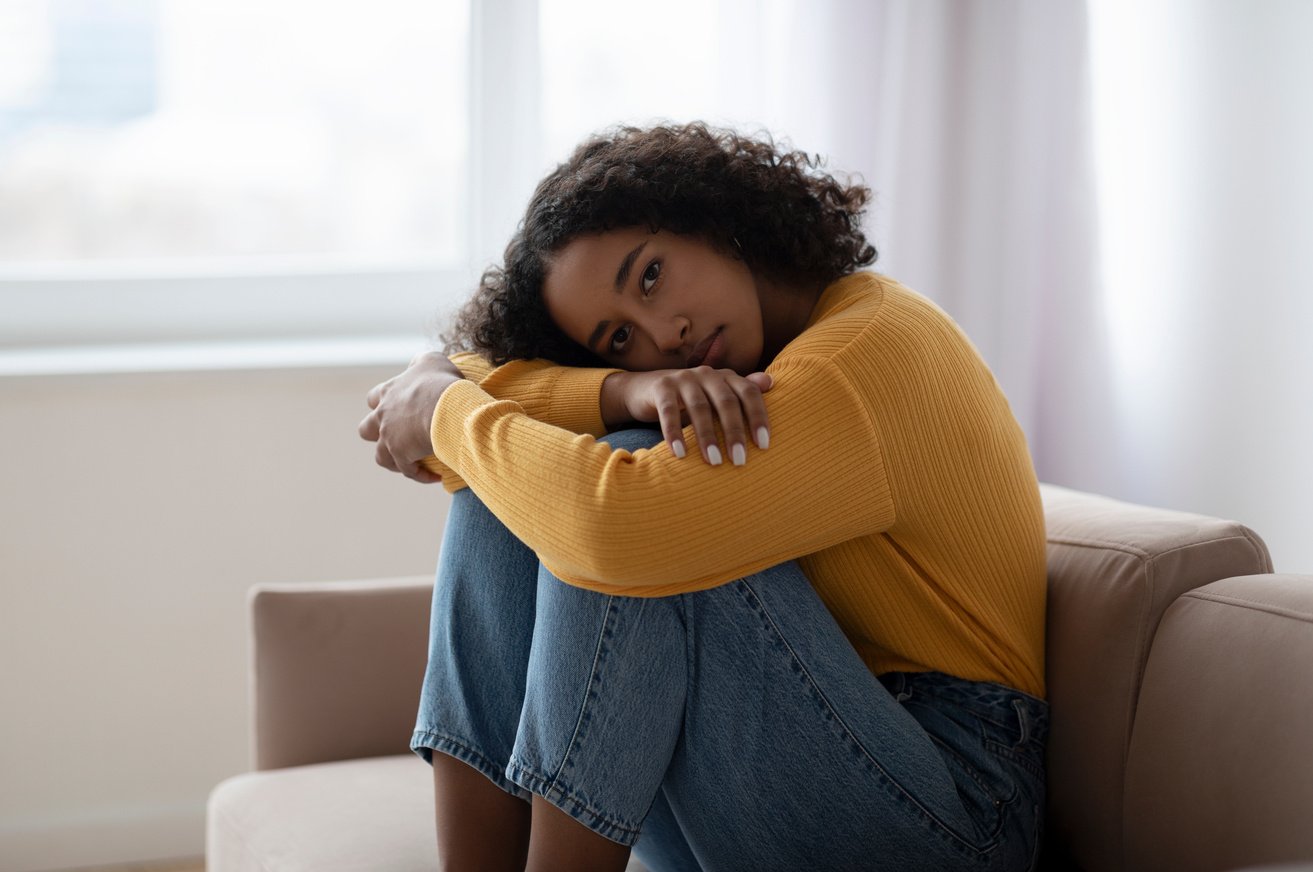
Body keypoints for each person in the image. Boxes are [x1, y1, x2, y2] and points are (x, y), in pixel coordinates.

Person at [358, 123, 1048, 872]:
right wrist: (626, 389)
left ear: (716, 224)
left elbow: (620, 529)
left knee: (621, 491)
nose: (666, 332)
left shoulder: (863, 353)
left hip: (956, 803)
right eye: (620, 339)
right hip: (782, 760)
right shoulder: (723, 367)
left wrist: (443, 408)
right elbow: (476, 419)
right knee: (502, 491)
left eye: (650, 276)